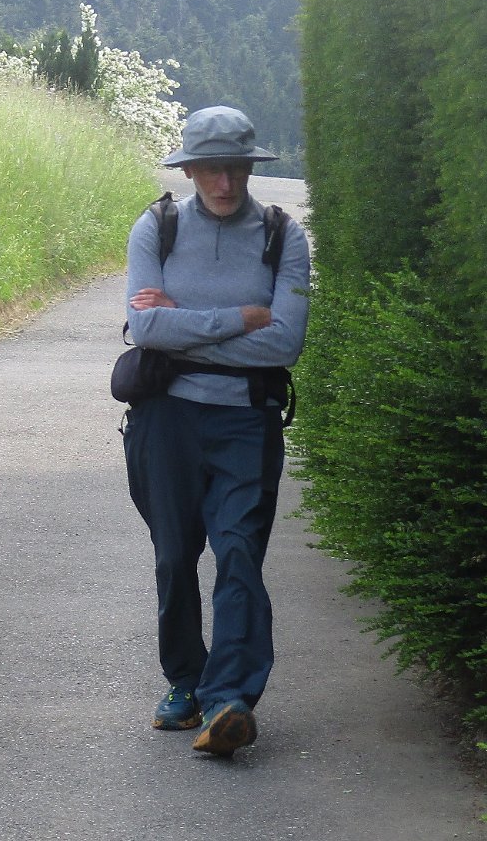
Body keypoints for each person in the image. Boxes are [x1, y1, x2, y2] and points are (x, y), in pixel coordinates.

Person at [122, 105, 311, 757]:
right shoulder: (157, 226)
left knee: (238, 551)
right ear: (189, 170)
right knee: (174, 556)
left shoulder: (283, 236)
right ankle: (184, 680)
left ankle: (228, 697)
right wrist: (242, 316)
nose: (224, 183)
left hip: (245, 422)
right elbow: (146, 329)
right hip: (164, 419)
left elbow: (285, 345)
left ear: (249, 167)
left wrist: (186, 321)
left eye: (234, 168)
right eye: (210, 169)